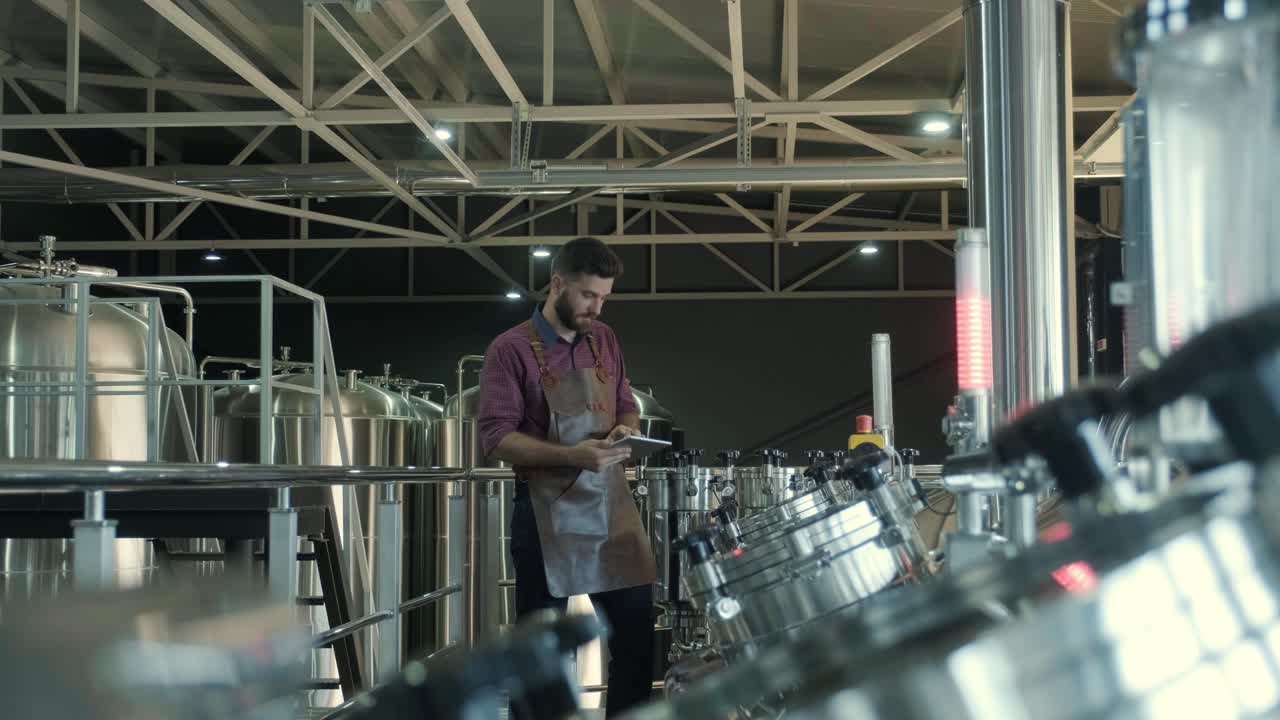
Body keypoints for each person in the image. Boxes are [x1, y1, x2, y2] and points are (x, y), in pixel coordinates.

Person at [477, 237, 657, 717]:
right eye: (587, 295)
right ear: (557, 283)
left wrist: (626, 429)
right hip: (543, 515)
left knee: (638, 640)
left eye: (604, 298)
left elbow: (626, 403)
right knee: (539, 658)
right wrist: (572, 456)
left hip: (610, 508)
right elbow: (495, 437)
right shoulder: (510, 349)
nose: (596, 308)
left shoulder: (606, 339)